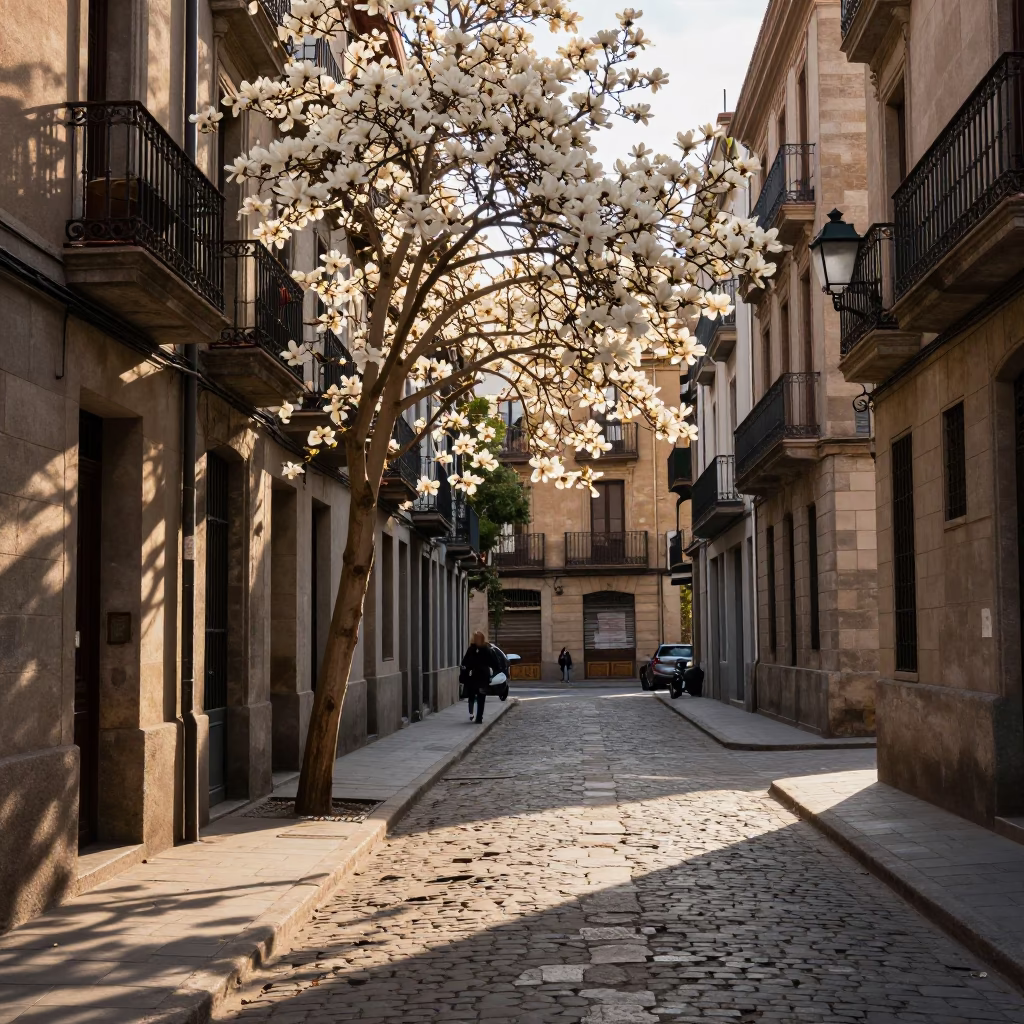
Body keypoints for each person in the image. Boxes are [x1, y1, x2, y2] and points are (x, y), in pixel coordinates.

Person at [460, 631, 502, 723]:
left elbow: (494, 662)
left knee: (481, 696)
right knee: (472, 695)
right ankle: (472, 714)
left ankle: (479, 717)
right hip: (473, 675)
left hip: (481, 675)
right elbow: (465, 661)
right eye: (476, 638)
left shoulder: (486, 649)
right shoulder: (472, 649)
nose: (477, 640)